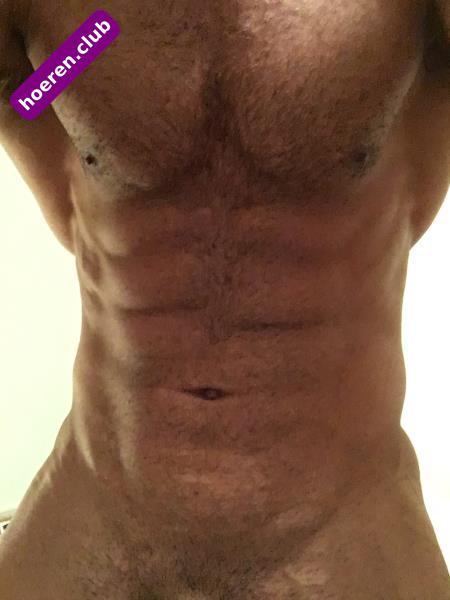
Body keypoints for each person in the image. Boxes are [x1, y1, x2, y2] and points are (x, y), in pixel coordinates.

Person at [0, 0, 449, 598]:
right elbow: (28, 108)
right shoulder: (76, 26)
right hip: (94, 526)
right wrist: (82, 58)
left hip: (346, 540)